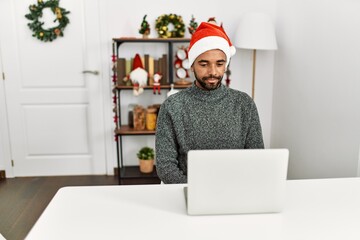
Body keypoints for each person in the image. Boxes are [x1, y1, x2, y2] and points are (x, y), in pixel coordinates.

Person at [155, 22, 264, 184]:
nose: (213, 72)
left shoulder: (244, 104)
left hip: (237, 190)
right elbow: (165, 166)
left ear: (225, 65)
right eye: (204, 64)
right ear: (192, 65)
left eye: (219, 64)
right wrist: (195, 191)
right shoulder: (173, 106)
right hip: (189, 192)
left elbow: (257, 159)